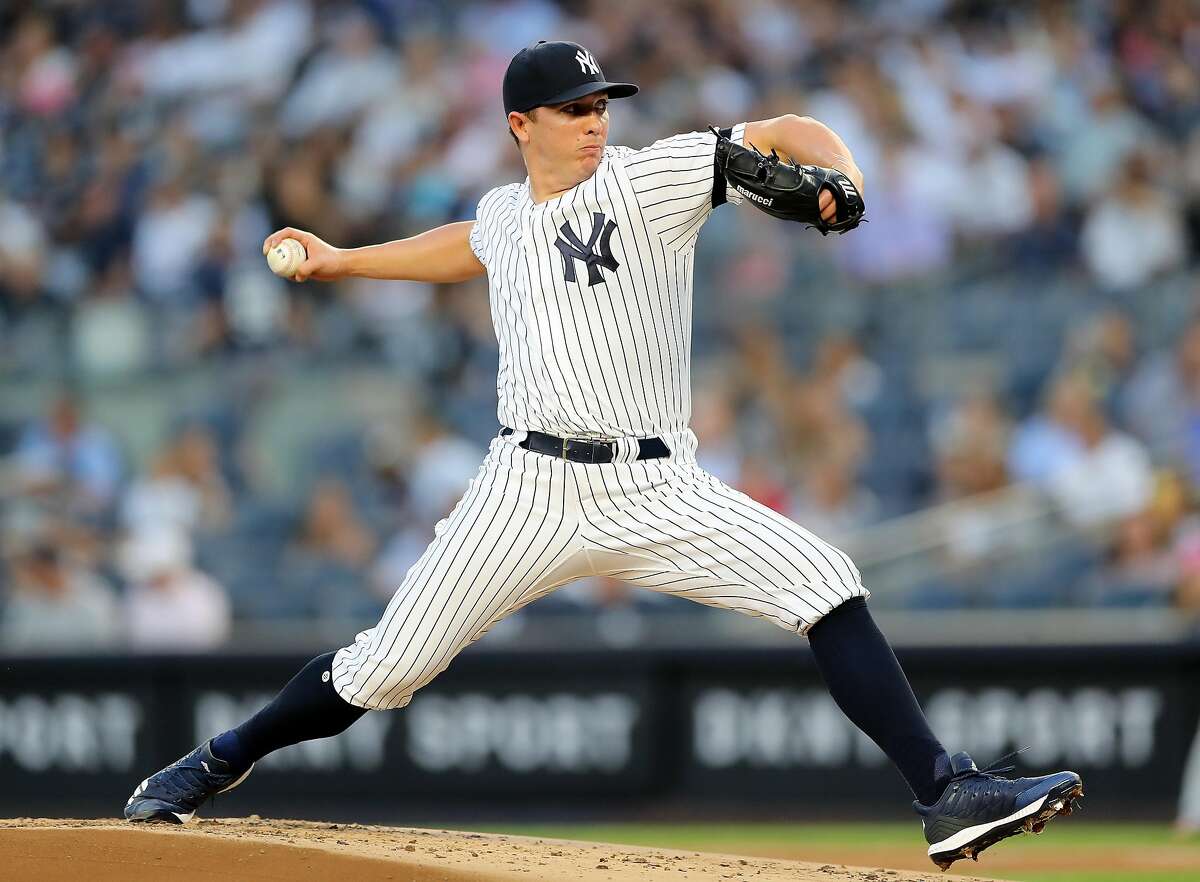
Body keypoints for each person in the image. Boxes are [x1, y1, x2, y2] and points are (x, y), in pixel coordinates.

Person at [123, 40, 1081, 870]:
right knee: (384, 670)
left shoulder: (648, 179)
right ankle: (216, 760)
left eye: (600, 107)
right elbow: (466, 243)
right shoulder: (504, 215)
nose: (593, 123)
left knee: (826, 580)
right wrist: (342, 259)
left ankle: (944, 796)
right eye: (573, 111)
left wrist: (848, 178)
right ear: (518, 126)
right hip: (526, 489)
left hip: (656, 483)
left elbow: (788, 129)